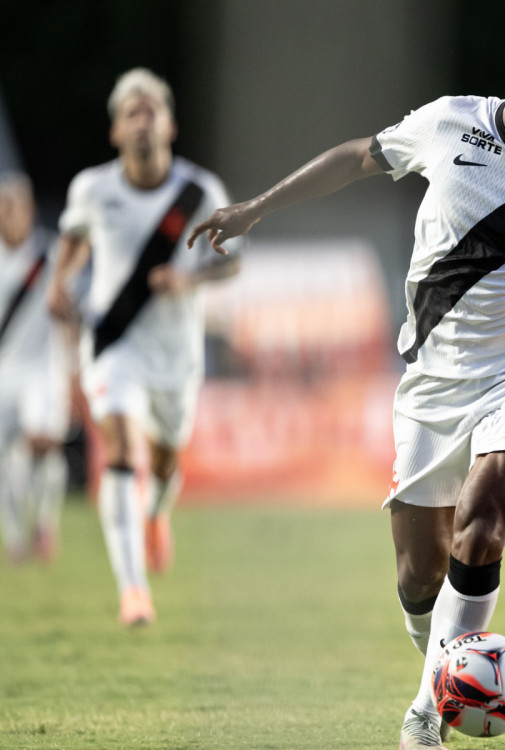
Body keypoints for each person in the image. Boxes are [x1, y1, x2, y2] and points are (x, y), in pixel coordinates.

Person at [186, 3, 505, 747]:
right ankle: (449, 664)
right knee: (420, 581)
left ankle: (426, 717)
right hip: (431, 381)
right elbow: (359, 155)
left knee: (483, 527)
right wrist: (259, 206)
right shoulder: (450, 122)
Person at [48, 68, 241, 627]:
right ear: (115, 132)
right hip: (113, 344)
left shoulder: (200, 191)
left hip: (176, 356)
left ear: (170, 125)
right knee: (122, 452)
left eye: (149, 111)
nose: (140, 121)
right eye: (130, 113)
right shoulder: (92, 188)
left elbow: (237, 262)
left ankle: (157, 514)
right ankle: (133, 592)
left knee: (160, 463)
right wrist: (60, 285)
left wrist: (190, 281)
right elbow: (74, 238)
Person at [0, 172, 70, 564]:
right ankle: (14, 539)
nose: (9, 214)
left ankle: (44, 524)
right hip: (3, 370)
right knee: (6, 459)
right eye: (4, 207)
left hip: (42, 369)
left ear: (28, 211)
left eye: (16, 206)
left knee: (42, 445)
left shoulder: (52, 255)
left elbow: (74, 307)